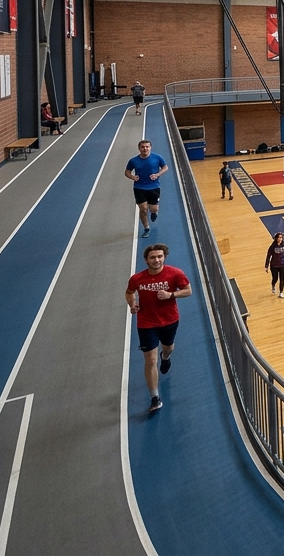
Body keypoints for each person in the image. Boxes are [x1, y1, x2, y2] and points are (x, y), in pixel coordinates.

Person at [126, 243, 192, 413]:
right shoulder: (137, 279)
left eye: (160, 256)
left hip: (169, 320)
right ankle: (155, 397)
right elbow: (129, 292)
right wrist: (133, 304)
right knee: (150, 359)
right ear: (146, 260)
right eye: (153, 257)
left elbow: (188, 290)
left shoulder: (175, 273)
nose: (157, 260)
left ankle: (166, 357)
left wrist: (172, 294)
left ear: (165, 257)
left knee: (168, 347)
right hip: (146, 323)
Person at [125, 139, 169, 238]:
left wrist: (157, 175)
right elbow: (127, 172)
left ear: (150, 147)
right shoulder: (133, 160)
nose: (145, 149)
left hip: (154, 187)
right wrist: (133, 177)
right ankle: (146, 228)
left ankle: (154, 212)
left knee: (153, 209)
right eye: (143, 147)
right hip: (139, 187)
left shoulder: (157, 157)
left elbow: (165, 167)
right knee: (143, 209)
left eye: (147, 147)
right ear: (139, 148)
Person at [264, 232, 284, 298]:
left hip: (282, 264)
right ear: (276, 238)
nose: (280, 239)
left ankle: (281, 292)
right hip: (274, 265)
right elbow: (268, 256)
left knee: (282, 278)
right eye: (279, 238)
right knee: (275, 278)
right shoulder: (272, 246)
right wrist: (266, 266)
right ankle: (273, 285)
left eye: (281, 237)